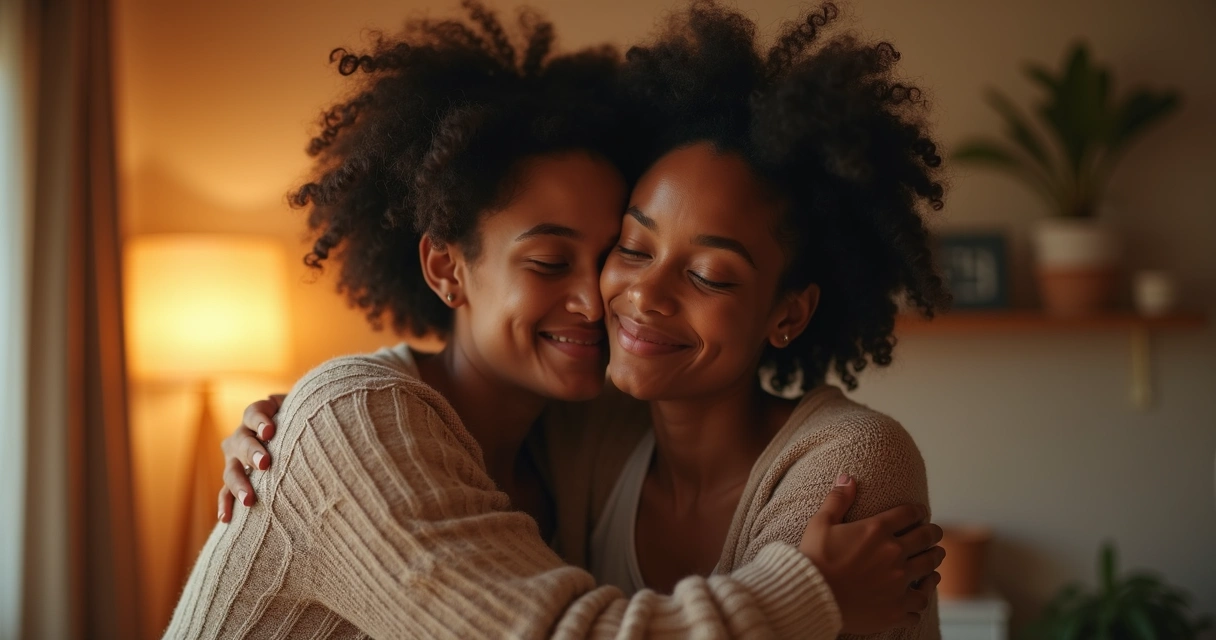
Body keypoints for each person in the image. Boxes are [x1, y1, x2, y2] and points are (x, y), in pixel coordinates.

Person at [189, 1, 945, 638]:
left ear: (790, 311)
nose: (609, 298)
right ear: (446, 267)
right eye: (554, 262)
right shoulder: (359, 425)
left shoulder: (579, 439)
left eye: (609, 249)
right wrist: (810, 595)